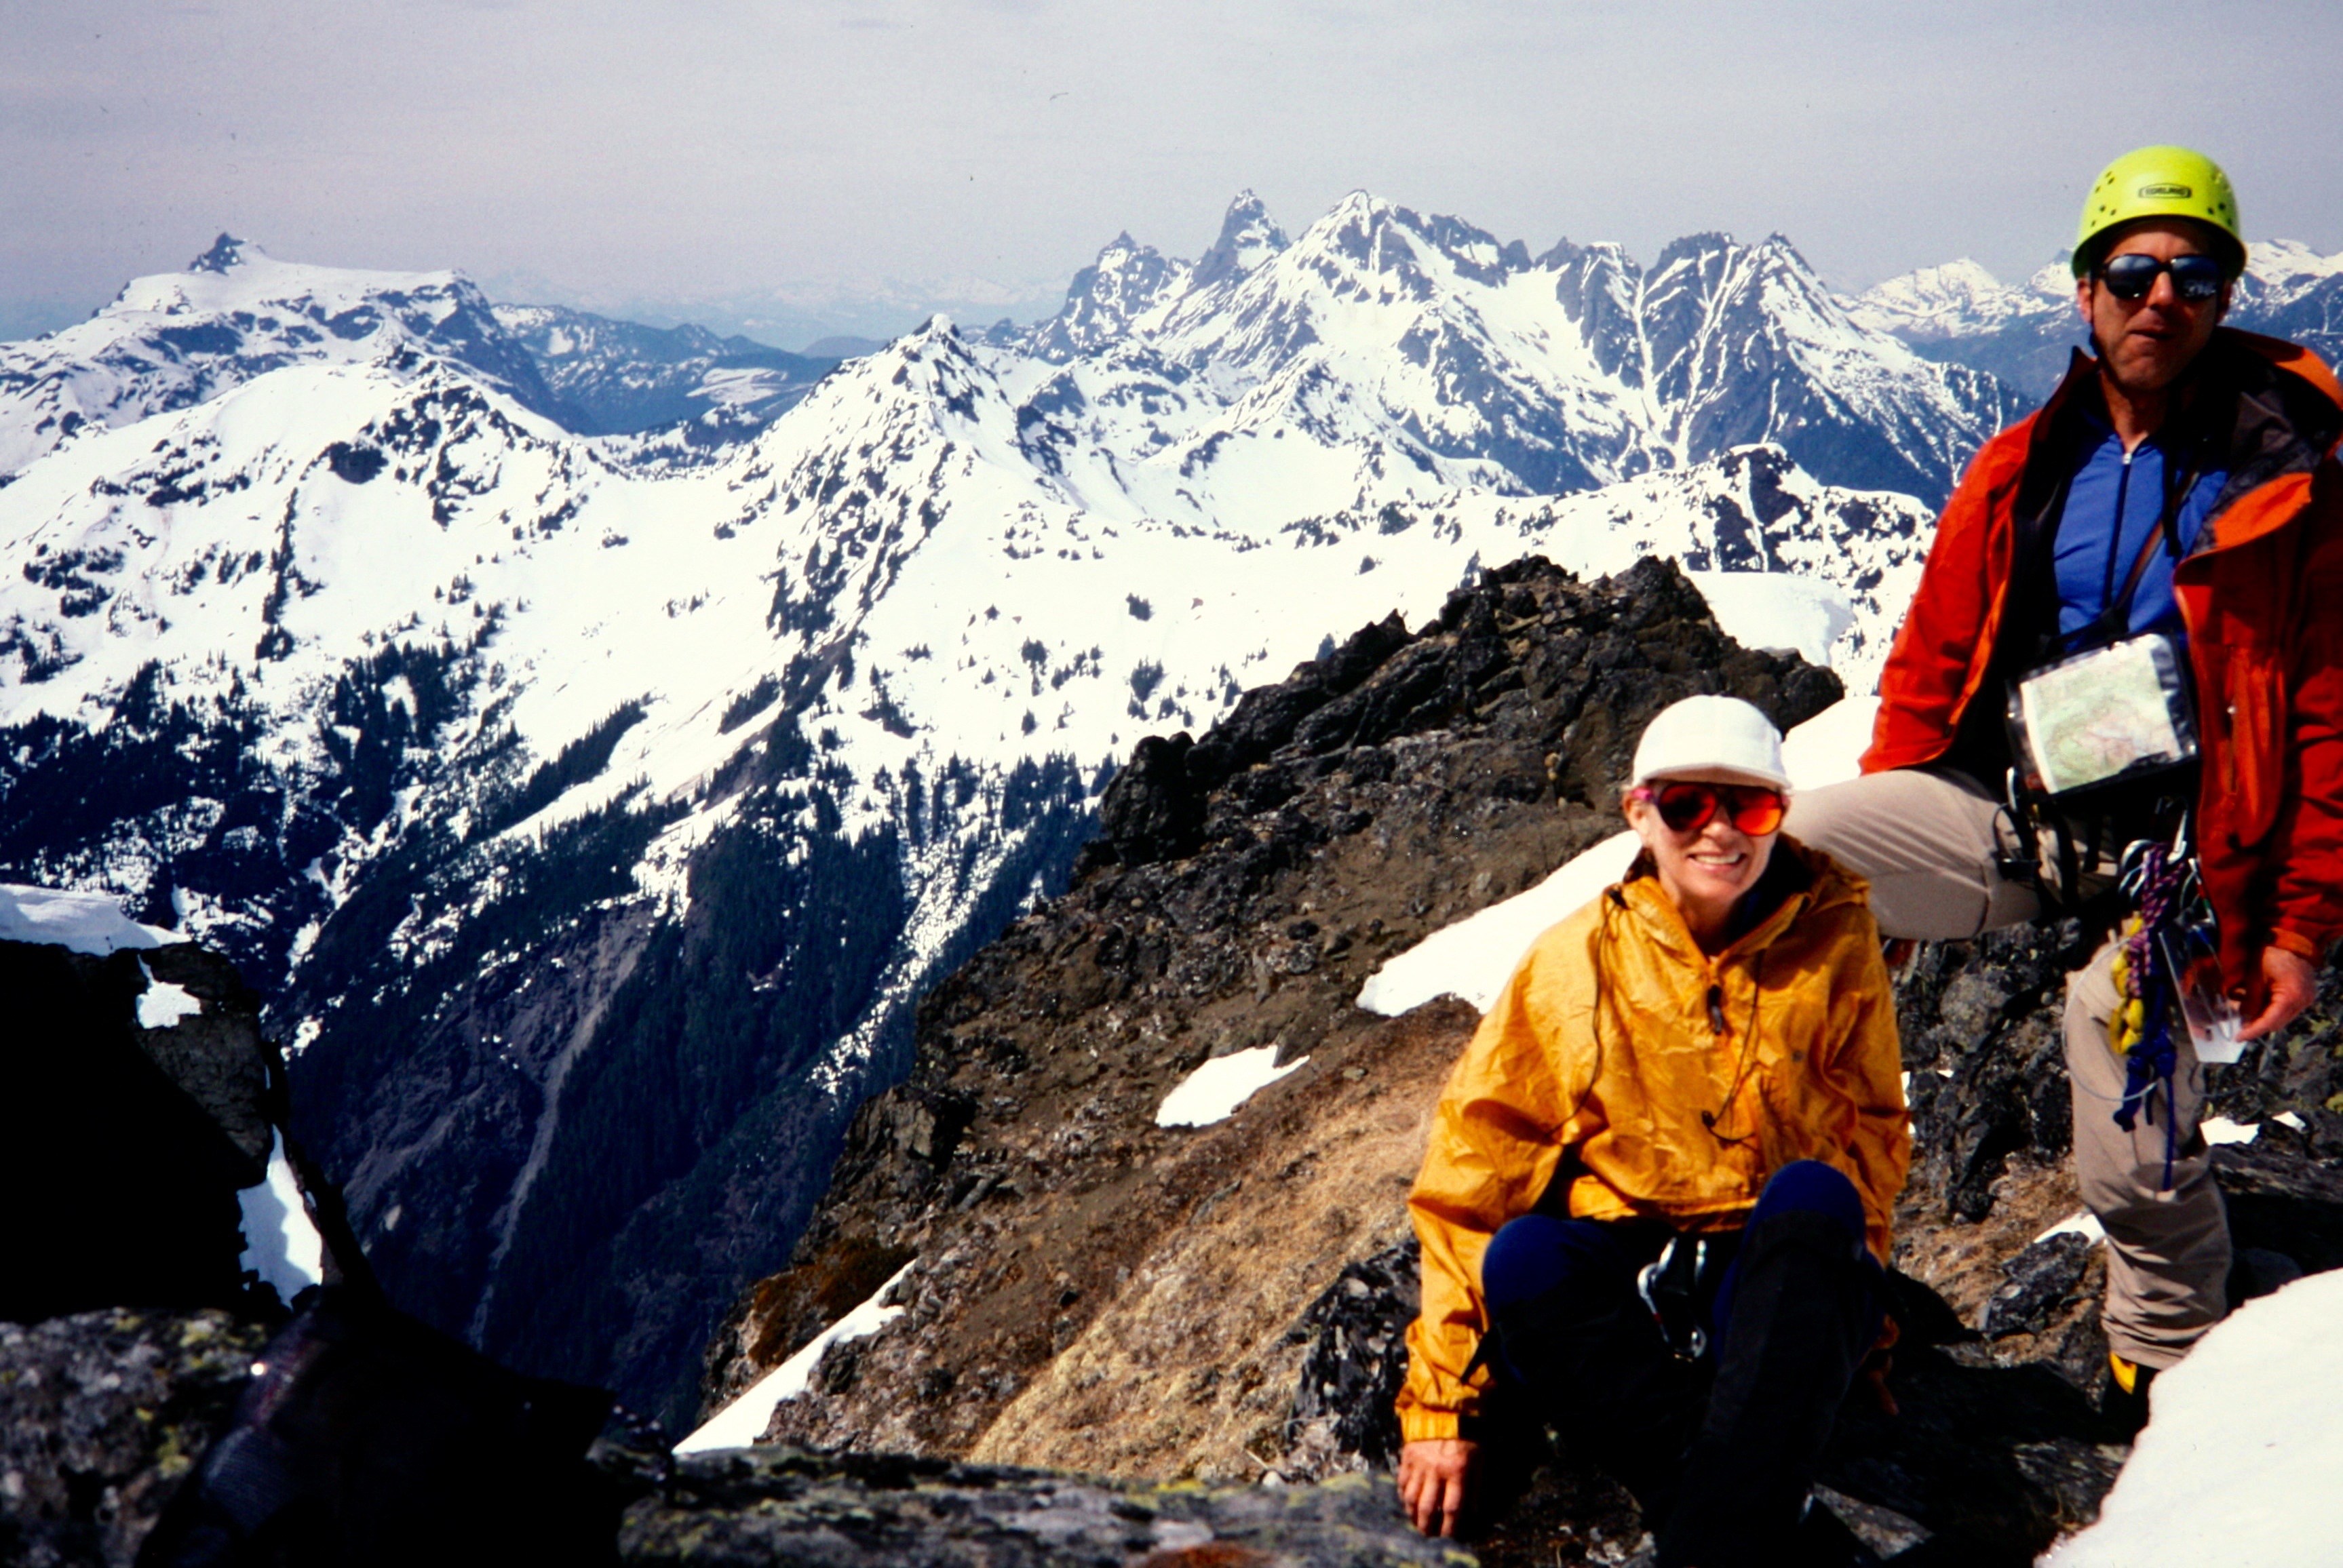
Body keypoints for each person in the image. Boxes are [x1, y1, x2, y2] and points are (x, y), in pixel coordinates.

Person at [1787, 145, 2343, 1422]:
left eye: (2193, 278)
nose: (2161, 299)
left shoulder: (2292, 485)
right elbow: (1930, 669)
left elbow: (2324, 718)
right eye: (2133, 273)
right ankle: (1772, 1220)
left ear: (2225, 299)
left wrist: (2300, 927)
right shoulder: (2018, 468)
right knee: (1789, 860)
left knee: (2116, 1050)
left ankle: (2163, 1368)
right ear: (2084, 292)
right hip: (2025, 816)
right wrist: (1892, 868)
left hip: (2193, 858)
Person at [1396, 695, 1910, 1565]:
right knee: (1524, 1256)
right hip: (1636, 1277)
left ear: (1780, 812)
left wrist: (1851, 1323)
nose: (1720, 831)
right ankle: (1741, 1515)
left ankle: (1704, 1531)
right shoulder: (1576, 960)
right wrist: (1442, 1404)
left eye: (1749, 806)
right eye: (1686, 805)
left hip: (1775, 1269)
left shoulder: (1837, 933)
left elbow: (1872, 1133)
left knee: (1816, 1193)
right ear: (1638, 812)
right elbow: (1474, 1172)